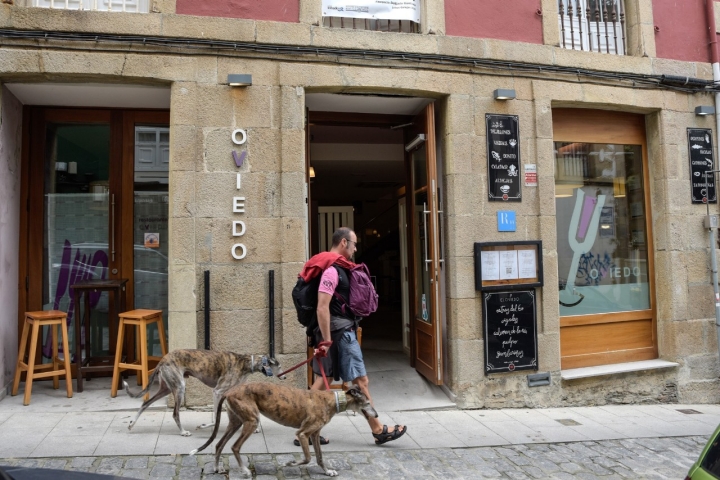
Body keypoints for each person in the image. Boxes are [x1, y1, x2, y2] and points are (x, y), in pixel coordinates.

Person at [296, 227, 407, 446]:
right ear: (344, 242)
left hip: (336, 332)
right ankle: (378, 429)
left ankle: (304, 432)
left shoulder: (339, 268)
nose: (356, 248)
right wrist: (327, 340)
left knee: (322, 380)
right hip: (340, 334)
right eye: (354, 244)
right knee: (360, 382)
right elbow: (322, 307)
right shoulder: (331, 271)